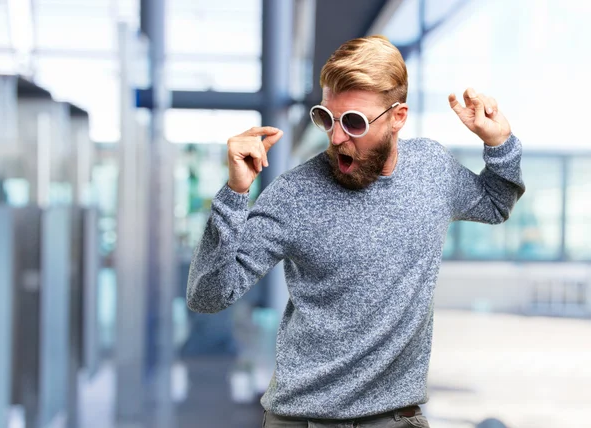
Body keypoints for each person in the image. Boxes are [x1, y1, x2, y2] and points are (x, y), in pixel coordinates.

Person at [187, 35, 525, 428]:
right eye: (326, 118)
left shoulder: (432, 169)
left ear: (397, 117)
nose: (335, 137)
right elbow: (207, 296)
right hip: (304, 419)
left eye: (353, 122)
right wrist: (234, 194)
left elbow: (496, 203)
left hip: (396, 418)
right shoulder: (293, 194)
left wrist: (498, 142)